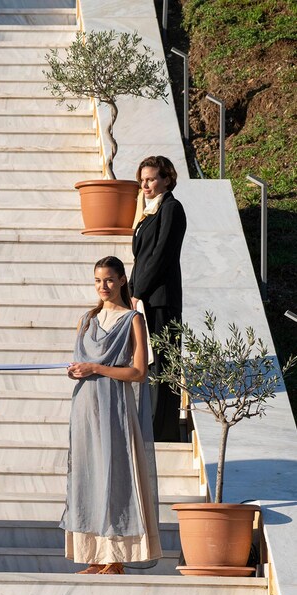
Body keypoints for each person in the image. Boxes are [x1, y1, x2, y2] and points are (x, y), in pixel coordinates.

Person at [62, 256, 162, 575]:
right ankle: (94, 554)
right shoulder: (87, 319)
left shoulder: (133, 319)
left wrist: (95, 368)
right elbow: (81, 361)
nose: (102, 287)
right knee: (87, 476)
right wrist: (78, 371)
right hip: (85, 407)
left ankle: (115, 556)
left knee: (115, 475)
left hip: (116, 406)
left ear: (121, 280)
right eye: (97, 281)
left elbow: (139, 372)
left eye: (108, 280)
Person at [129, 155, 187, 442]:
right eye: (142, 180)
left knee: (163, 363)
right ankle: (150, 425)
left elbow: (161, 256)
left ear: (166, 179)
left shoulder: (171, 209)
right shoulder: (149, 211)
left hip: (161, 299)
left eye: (151, 179)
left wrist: (137, 290)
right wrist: (129, 292)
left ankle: (161, 431)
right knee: (150, 363)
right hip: (145, 298)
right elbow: (140, 258)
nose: (146, 184)